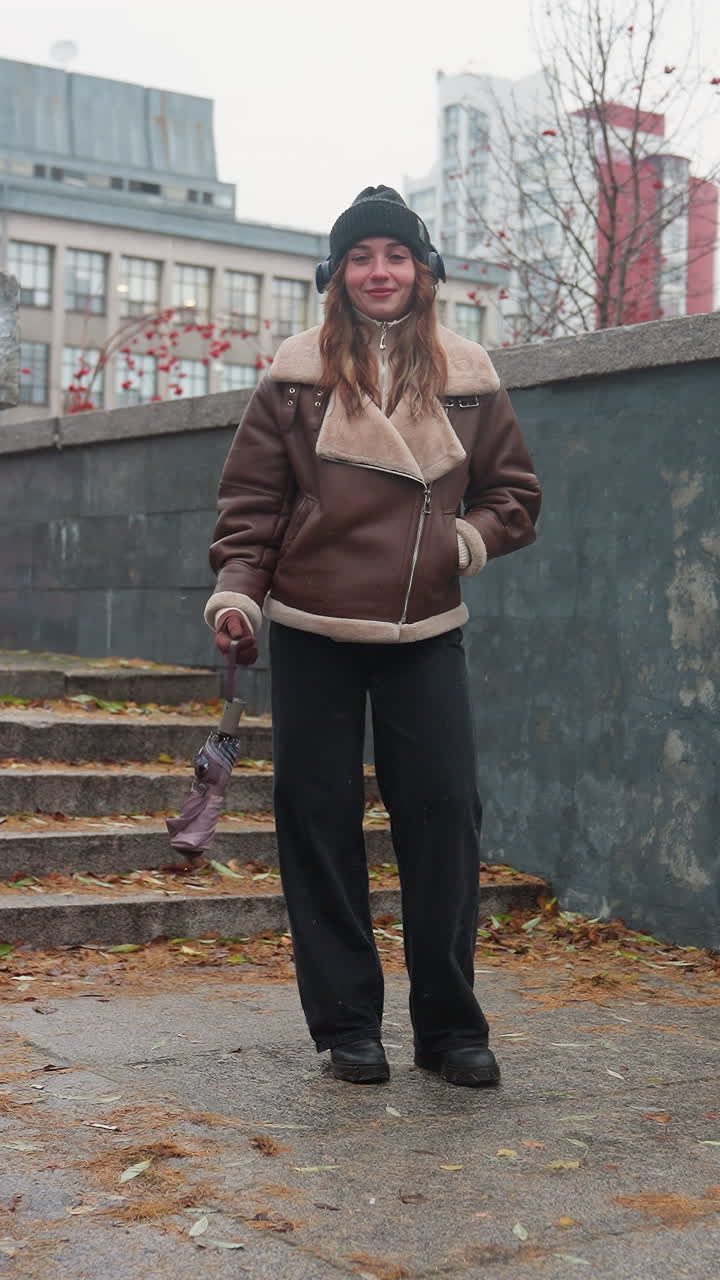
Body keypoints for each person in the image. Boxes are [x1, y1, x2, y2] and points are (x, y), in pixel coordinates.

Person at [204, 186, 541, 1087]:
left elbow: (515, 494)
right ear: (337, 274)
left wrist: (463, 540)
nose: (379, 272)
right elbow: (251, 505)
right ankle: (348, 1026)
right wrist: (238, 594)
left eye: (396, 255)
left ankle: (451, 1029)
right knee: (317, 820)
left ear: (423, 272)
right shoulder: (295, 372)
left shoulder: (469, 373)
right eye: (361, 257)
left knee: (444, 819)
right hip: (312, 621)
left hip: (425, 623)